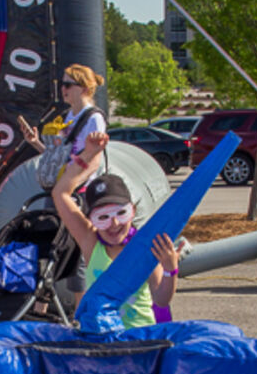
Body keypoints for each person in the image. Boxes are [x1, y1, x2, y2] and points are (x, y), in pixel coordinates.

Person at [51, 132, 178, 329]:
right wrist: (88, 155)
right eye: (103, 217)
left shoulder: (145, 246)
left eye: (121, 213)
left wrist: (171, 270)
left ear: (133, 210)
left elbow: (161, 299)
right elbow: (60, 193)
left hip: (139, 339)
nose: (114, 224)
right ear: (91, 218)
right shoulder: (90, 242)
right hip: (102, 339)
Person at [17, 63, 108, 173]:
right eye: (62, 84)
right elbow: (57, 158)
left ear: (84, 89)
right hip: (61, 182)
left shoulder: (94, 119)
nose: (63, 89)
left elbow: (93, 161)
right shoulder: (66, 116)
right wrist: (35, 142)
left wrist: (69, 182)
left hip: (80, 186)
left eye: (68, 85)